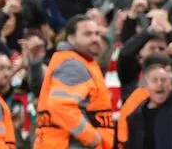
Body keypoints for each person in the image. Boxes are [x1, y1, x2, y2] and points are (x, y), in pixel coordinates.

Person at [35, 15, 114, 149]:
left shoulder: (80, 61)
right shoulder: (73, 65)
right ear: (71, 38)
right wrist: (91, 137)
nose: (95, 38)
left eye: (97, 33)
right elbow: (60, 105)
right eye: (87, 34)